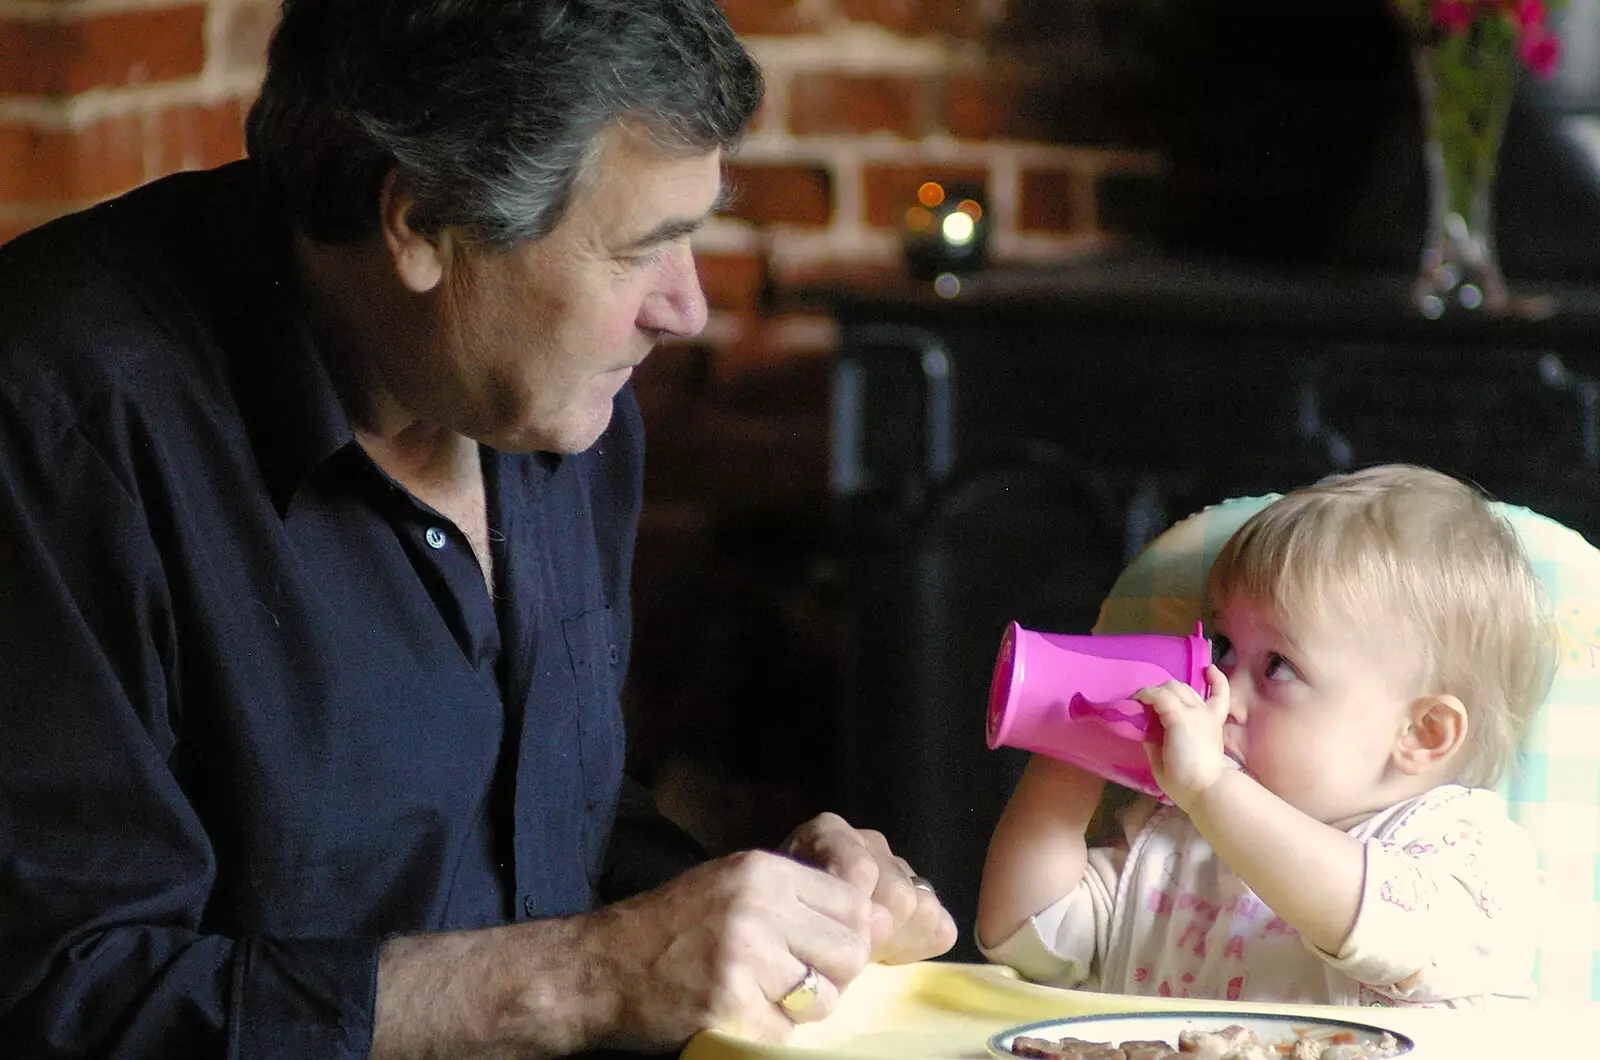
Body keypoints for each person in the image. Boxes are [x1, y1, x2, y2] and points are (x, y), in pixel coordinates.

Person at [0, 2, 956, 1057]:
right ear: (419, 223)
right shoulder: (56, 427)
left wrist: (768, 907)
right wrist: (590, 976)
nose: (685, 309)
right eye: (644, 247)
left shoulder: (548, 396)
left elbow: (527, 827)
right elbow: (56, 999)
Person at [975, 464, 1556, 1008]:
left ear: (1421, 733)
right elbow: (1028, 937)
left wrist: (1210, 789)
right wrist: (1074, 737)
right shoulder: (1175, 838)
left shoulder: (1468, 853)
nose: (1219, 687)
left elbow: (1375, 921)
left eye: (1278, 666)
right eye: (1223, 646)